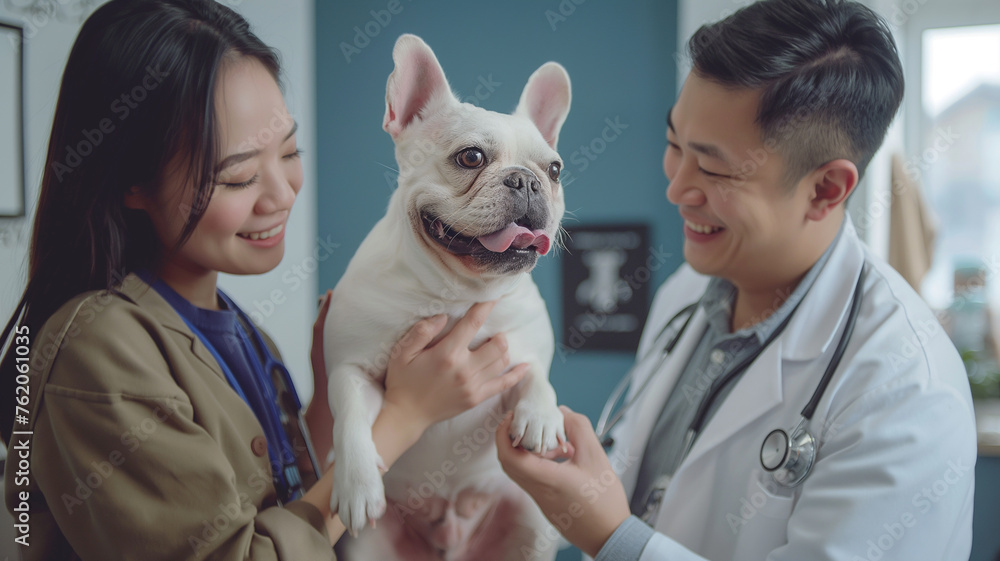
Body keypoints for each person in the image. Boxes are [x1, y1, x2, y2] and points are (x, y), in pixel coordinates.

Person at [0, 1, 528, 559]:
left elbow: (288, 498)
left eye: (290, 151)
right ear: (132, 182)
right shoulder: (97, 353)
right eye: (240, 177)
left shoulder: (244, 335)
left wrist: (333, 395)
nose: (281, 195)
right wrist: (406, 417)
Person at [496, 0, 977, 559]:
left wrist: (612, 537)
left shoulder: (907, 391)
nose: (677, 188)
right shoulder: (688, 294)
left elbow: (622, 529)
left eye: (715, 168)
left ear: (825, 190)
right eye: (675, 145)